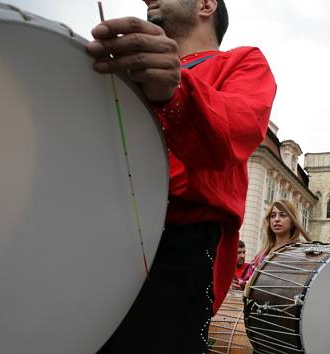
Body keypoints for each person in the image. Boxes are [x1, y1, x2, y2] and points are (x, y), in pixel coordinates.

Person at [87, 1, 277, 353]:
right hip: (100, 235)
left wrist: (174, 90)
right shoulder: (124, 71)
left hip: (179, 244)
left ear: (206, 4)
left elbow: (235, 131)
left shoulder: (243, 61)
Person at [242, 199, 310, 282]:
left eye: (283, 215)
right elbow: (246, 281)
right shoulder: (262, 254)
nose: (276, 219)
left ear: (293, 222)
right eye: (273, 216)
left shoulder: (301, 251)